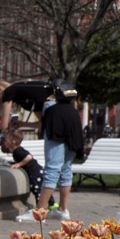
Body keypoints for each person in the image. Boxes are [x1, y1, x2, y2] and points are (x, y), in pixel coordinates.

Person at [36, 84, 83, 220]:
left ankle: (40, 212)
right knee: (65, 170)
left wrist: (50, 97)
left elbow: (44, 121)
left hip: (55, 135)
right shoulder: (72, 111)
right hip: (72, 138)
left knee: (52, 169)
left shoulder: (50, 107)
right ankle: (62, 209)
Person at [4, 130, 48, 221]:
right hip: (37, 171)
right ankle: (49, 207)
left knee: (37, 191)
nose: (4, 142)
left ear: (13, 142)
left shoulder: (18, 151)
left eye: (6, 140)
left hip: (35, 172)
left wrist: (19, 164)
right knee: (40, 190)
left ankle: (40, 213)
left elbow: (29, 157)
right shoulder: (17, 151)